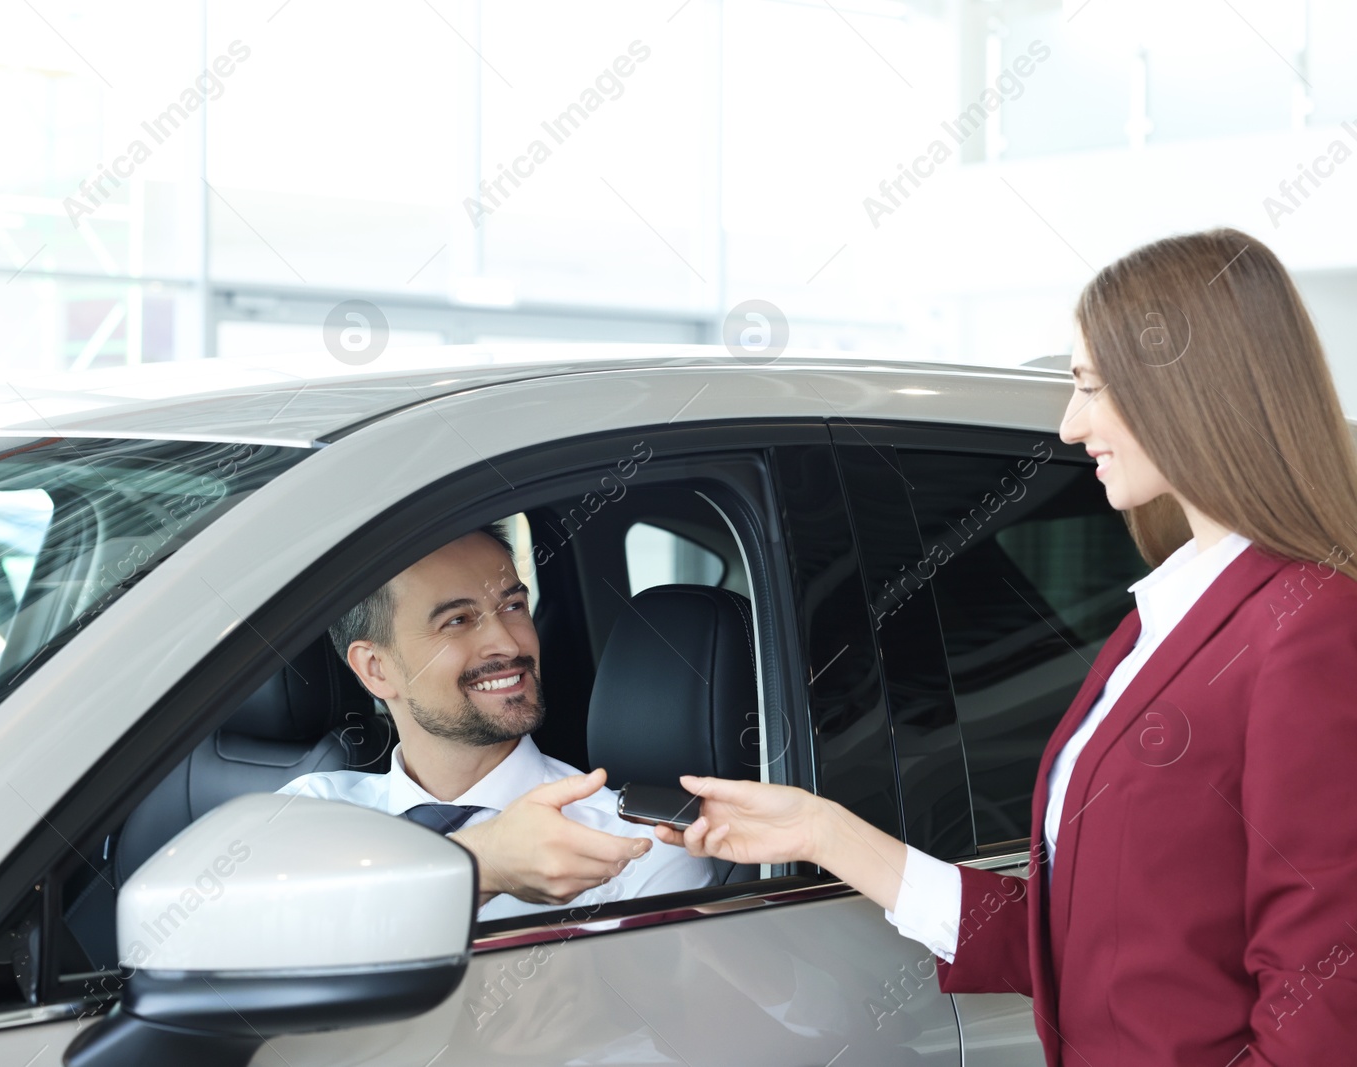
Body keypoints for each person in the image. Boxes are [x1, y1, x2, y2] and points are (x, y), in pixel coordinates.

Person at [657, 228, 1357, 1064]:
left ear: (1188, 390)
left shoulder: (1312, 623)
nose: (1070, 424)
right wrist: (820, 831)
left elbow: (1324, 995)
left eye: (1092, 387)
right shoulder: (1161, 615)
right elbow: (1062, 944)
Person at [278, 523, 714, 921]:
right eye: (458, 620)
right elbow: (240, 940)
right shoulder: (310, 812)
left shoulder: (636, 846)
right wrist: (477, 866)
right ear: (375, 668)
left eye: (513, 606)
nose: (507, 643)